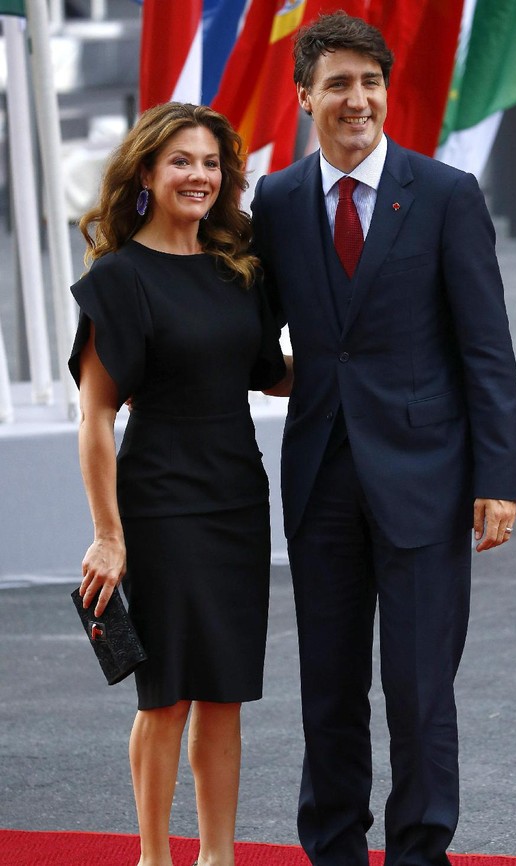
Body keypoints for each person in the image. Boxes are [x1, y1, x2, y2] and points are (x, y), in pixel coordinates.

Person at [251, 12, 516, 866]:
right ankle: (331, 848)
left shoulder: (446, 195)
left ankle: (418, 852)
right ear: (305, 97)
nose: (357, 99)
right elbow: (262, 342)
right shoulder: (278, 201)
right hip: (321, 479)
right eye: (338, 83)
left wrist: (500, 478)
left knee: (417, 693)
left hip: (427, 482)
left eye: (370, 82)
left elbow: (486, 350)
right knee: (328, 693)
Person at [68, 102, 286, 866]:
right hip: (159, 504)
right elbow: (94, 416)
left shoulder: (240, 269)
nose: (199, 175)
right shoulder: (121, 279)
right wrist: (108, 532)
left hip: (238, 499)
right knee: (165, 697)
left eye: (211, 163)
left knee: (225, 692)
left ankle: (219, 857)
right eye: (182, 162)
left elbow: (269, 375)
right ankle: (155, 857)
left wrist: (365, 363)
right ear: (147, 176)